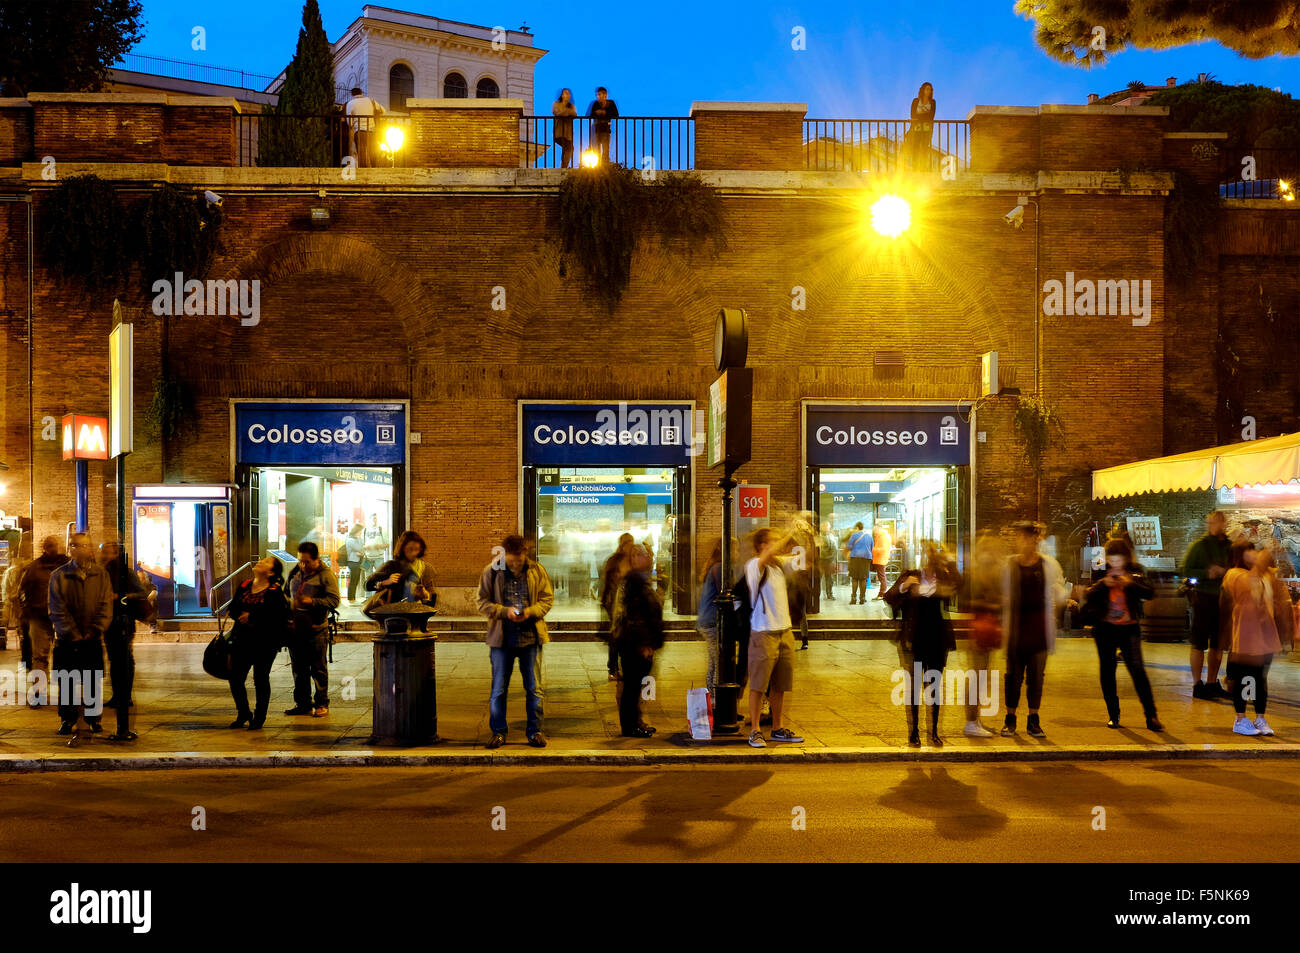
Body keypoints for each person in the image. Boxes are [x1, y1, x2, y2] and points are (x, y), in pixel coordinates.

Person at [476, 534, 554, 748]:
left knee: (534, 688)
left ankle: (535, 731)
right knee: (499, 689)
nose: (516, 564)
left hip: (531, 637)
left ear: (525, 554)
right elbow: (481, 602)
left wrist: (530, 611)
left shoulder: (537, 570)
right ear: (505, 555)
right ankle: (499, 731)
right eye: (512, 560)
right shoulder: (491, 571)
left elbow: (547, 599)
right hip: (502, 639)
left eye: (519, 559)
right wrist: (504, 611)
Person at [1000, 521, 1073, 739]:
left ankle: (1033, 719)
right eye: (1021, 537)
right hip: (1015, 628)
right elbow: (1001, 591)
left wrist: (1068, 596)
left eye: (1030, 538)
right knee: (1013, 677)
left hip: (1039, 629)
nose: (1025, 542)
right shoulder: (1009, 565)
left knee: (1036, 677)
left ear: (1035, 540)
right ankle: (1010, 719)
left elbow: (1058, 589)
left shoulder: (1048, 565)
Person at [1082, 537, 1163, 732]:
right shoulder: (1099, 568)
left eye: (1119, 560)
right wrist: (1104, 583)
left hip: (1129, 628)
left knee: (1138, 671)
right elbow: (1088, 593)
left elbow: (1150, 592)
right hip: (1104, 629)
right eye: (1112, 559)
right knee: (1107, 671)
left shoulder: (1135, 570)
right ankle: (1113, 714)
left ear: (1126, 558)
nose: (1115, 564)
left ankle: (1151, 715)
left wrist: (1130, 584)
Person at [885, 542, 960, 746]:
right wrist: (904, 586)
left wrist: (951, 563)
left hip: (937, 638)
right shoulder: (911, 575)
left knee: (934, 686)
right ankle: (914, 731)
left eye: (930, 556)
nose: (926, 560)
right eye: (924, 556)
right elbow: (889, 597)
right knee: (914, 686)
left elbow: (959, 585)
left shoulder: (943, 577)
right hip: (915, 639)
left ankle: (934, 731)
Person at [743, 528, 805, 748]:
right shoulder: (754, 566)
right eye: (772, 541)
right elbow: (770, 554)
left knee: (780, 684)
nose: (778, 544)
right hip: (763, 631)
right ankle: (755, 730)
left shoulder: (778, 567)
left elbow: (804, 559)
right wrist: (789, 533)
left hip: (784, 630)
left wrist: (806, 534)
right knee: (759, 685)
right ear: (761, 545)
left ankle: (777, 728)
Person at [47, 533, 112, 736]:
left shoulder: (101, 575)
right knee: (67, 681)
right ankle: (68, 718)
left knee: (93, 681)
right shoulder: (59, 575)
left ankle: (93, 719)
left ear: (90, 548)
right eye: (75, 545)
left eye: (84, 545)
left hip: (91, 637)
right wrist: (70, 631)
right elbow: (56, 607)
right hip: (67, 640)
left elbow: (105, 604)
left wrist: (96, 628)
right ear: (70, 548)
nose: (79, 549)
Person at [1220, 542, 1284, 736]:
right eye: (1249, 551)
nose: (1254, 554)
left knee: (1260, 679)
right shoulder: (1234, 574)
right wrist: (1263, 563)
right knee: (1247, 680)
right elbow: (1247, 586)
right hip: (1247, 636)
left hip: (1266, 635)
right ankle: (1240, 719)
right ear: (1240, 555)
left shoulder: (1263, 574)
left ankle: (1260, 717)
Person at [227, 555, 289, 730]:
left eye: (266, 562)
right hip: (241, 640)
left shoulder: (274, 591)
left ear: (270, 572)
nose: (260, 562)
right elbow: (232, 608)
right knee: (235, 678)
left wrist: (252, 616)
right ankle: (243, 712)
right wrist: (240, 615)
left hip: (264, 642)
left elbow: (278, 617)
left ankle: (259, 716)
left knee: (260, 679)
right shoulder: (245, 585)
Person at [611, 544, 664, 737]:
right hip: (635, 644)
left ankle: (635, 723)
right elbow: (635, 615)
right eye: (642, 555)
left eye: (647, 554)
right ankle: (631, 726)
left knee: (636, 686)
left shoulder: (641, 579)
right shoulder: (634, 580)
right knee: (632, 687)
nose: (647, 557)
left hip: (638, 642)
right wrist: (644, 643)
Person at [284, 541, 339, 718]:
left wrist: (313, 602)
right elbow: (286, 592)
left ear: (316, 559)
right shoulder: (297, 572)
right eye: (301, 561)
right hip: (296, 628)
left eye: (307, 561)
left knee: (318, 668)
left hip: (316, 629)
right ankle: (303, 703)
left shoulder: (326, 575)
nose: (303, 565)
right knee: (298, 669)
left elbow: (334, 600)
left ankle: (322, 703)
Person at [1183, 510, 1232, 701]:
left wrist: (1225, 571)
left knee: (1218, 644)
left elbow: (1237, 568)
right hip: (1203, 599)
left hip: (1223, 600)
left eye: (1216, 522)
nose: (1212, 526)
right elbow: (1186, 570)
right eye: (1210, 522)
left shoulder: (1230, 547)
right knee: (1198, 643)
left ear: (1223, 523)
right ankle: (1197, 684)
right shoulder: (1199, 546)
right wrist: (1206, 573)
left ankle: (1212, 682)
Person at [99, 540, 145, 741]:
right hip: (110, 622)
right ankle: (118, 695)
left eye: (107, 552)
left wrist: (118, 597)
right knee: (115, 659)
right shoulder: (103, 571)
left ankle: (123, 697)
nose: (104, 555)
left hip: (123, 621)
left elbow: (140, 594)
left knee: (124, 659)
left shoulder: (126, 572)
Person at [964, 529, 1005, 737]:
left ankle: (975, 719)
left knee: (981, 675)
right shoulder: (979, 572)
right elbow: (968, 601)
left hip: (982, 627)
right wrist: (994, 604)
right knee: (977, 675)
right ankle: (971, 721)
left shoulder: (982, 569)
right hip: (981, 627)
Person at [20, 536, 69, 704]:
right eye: (49, 546)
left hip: (62, 616)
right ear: (44, 548)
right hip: (39, 616)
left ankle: (66, 696)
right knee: (39, 655)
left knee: (64, 655)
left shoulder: (66, 565)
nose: (53, 549)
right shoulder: (34, 568)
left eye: (54, 546)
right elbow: (23, 590)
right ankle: (39, 692)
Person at [365, 530, 438, 620]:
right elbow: (368, 585)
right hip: (393, 617)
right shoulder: (392, 566)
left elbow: (432, 598)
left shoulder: (426, 569)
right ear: (403, 548)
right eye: (410, 549)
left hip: (417, 618)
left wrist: (426, 595)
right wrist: (386, 582)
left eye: (417, 549)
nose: (413, 553)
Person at [599, 533, 635, 680]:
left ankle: (620, 667)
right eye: (629, 544)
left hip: (627, 603)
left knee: (624, 636)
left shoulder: (630, 560)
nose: (631, 546)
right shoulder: (615, 561)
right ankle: (612, 668)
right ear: (623, 544)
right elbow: (608, 583)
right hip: (614, 603)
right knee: (615, 637)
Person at [697, 540, 723, 692]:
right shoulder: (719, 567)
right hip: (712, 621)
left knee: (714, 661)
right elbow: (723, 593)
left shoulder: (713, 566)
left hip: (707, 620)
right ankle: (715, 699)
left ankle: (711, 697)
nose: (738, 553)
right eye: (735, 549)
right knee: (718, 662)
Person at [3, 548, 30, 672]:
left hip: (21, 605)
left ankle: (26, 661)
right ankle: (27, 661)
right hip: (23, 606)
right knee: (25, 634)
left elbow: (7, 590)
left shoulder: (14, 572)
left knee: (24, 634)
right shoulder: (27, 571)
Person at [345, 87, 386, 168]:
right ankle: (374, 168)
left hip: (359, 131)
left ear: (352, 94)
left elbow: (349, 122)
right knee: (372, 152)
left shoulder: (350, 103)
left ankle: (364, 170)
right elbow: (383, 111)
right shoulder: (370, 101)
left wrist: (353, 124)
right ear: (361, 93)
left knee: (361, 152)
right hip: (371, 130)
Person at [906, 82, 936, 171]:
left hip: (927, 128)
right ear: (923, 90)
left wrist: (919, 117)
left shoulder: (932, 102)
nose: (929, 91)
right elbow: (913, 115)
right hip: (916, 127)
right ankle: (915, 168)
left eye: (930, 89)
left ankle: (923, 167)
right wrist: (922, 116)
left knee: (924, 147)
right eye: (927, 89)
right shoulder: (916, 101)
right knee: (915, 147)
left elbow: (931, 116)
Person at [586, 86, 619, 164]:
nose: (598, 96)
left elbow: (616, 114)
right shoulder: (595, 104)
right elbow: (589, 115)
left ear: (605, 95)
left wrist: (605, 113)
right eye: (597, 95)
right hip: (596, 129)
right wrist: (597, 113)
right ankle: (597, 167)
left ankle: (604, 167)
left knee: (605, 150)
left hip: (606, 129)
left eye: (599, 94)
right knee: (596, 150)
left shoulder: (611, 103)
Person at [552, 87, 578, 168]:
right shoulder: (556, 103)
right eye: (565, 93)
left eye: (568, 93)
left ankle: (563, 166)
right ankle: (564, 167)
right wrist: (566, 112)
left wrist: (566, 112)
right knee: (568, 147)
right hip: (558, 132)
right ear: (562, 95)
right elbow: (557, 113)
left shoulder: (572, 106)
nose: (567, 95)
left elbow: (575, 114)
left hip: (568, 133)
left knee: (567, 148)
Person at [845, 522, 870, 605]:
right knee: (863, 579)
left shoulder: (854, 536)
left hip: (855, 558)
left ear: (857, 528)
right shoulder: (869, 536)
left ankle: (854, 598)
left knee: (855, 578)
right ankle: (862, 598)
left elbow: (848, 547)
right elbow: (871, 547)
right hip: (866, 559)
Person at [343, 523, 366, 603]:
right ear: (356, 531)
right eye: (360, 531)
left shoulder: (357, 539)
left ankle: (353, 597)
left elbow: (362, 550)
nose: (361, 533)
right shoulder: (350, 540)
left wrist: (361, 551)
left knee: (356, 581)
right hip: (353, 562)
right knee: (353, 581)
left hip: (358, 562)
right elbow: (360, 548)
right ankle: (350, 598)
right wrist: (361, 549)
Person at [872, 520, 893, 600]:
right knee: (881, 577)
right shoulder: (881, 536)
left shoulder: (884, 536)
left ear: (879, 528)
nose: (874, 531)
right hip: (879, 559)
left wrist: (873, 549)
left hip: (881, 559)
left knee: (882, 577)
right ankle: (881, 594)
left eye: (875, 529)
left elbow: (884, 549)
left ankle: (882, 594)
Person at [817, 521, 838, 601]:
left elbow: (834, 549)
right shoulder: (818, 536)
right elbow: (816, 550)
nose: (826, 529)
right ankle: (817, 595)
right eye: (824, 527)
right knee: (818, 579)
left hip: (828, 561)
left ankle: (829, 594)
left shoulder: (831, 537)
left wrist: (830, 558)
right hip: (821, 561)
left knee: (829, 579)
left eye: (827, 527)